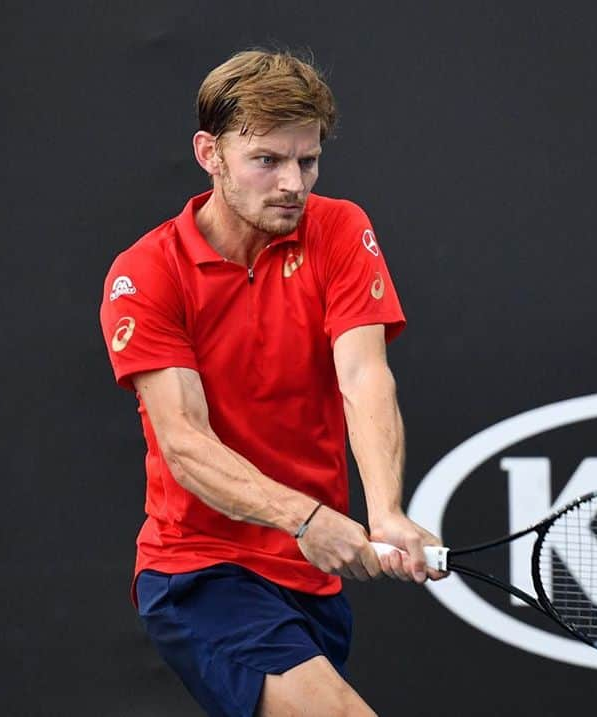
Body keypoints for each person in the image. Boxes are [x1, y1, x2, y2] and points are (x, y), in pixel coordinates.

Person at [99, 49, 444, 717]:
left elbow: (363, 375)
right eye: (268, 160)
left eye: (307, 161)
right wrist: (305, 517)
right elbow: (186, 444)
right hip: (200, 570)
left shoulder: (340, 229)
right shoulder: (146, 274)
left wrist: (386, 511)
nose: (293, 182)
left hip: (310, 584)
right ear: (210, 153)